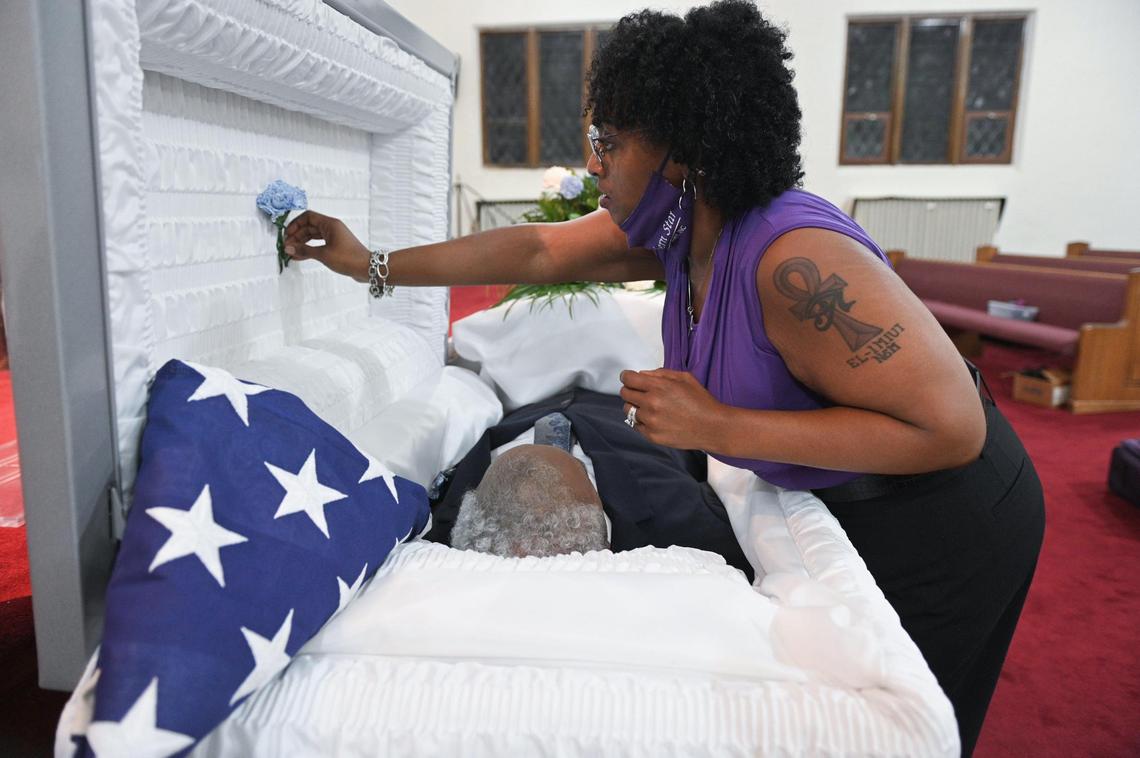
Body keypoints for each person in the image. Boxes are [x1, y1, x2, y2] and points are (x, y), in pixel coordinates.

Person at [284, 2, 1044, 753]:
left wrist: (718, 427)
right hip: (862, 491)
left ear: (681, 152)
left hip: (946, 514)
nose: (592, 164)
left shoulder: (792, 263)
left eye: (608, 143)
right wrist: (370, 264)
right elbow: (540, 253)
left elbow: (949, 429)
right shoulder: (683, 231)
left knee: (895, 727)